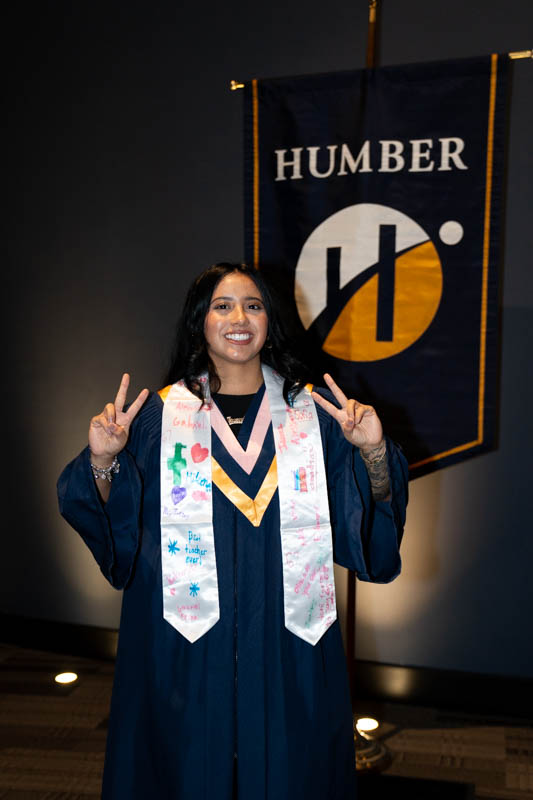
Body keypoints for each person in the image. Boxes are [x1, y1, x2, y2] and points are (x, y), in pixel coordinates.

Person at [57, 262, 408, 800]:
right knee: (183, 770)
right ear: (200, 321)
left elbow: (371, 511)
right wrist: (103, 461)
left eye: (254, 305)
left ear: (270, 321)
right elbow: (106, 516)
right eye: (222, 306)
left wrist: (374, 452)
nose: (239, 318)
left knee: (293, 771)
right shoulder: (157, 418)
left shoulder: (312, 415)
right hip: (185, 646)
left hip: (290, 644)